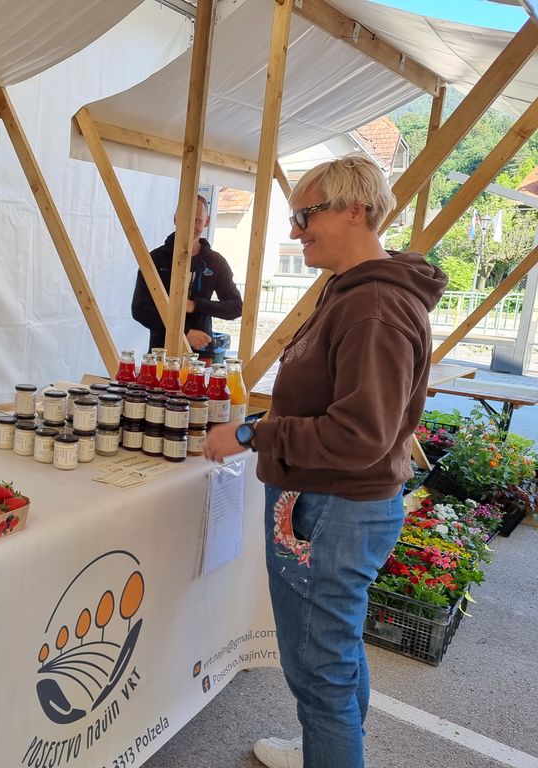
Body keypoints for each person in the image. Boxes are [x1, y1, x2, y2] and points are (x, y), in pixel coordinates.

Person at [203, 155, 447, 768]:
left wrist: (254, 433)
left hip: (333, 509)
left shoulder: (373, 306)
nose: (296, 230)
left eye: (305, 215)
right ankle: (325, 750)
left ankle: (329, 750)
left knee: (321, 676)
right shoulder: (357, 291)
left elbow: (360, 434)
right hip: (333, 504)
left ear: (356, 210)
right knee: (334, 654)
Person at [131, 194, 242, 354]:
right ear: (175, 219)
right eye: (185, 218)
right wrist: (184, 333)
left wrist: (196, 305)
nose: (190, 225)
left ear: (207, 222)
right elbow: (140, 309)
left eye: (197, 220)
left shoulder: (215, 262)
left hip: (201, 354)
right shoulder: (155, 259)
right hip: (162, 353)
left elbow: (236, 307)